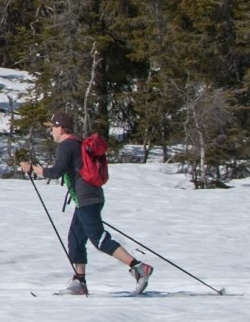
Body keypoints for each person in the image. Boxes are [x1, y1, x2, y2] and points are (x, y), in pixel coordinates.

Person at [19, 112, 153, 296]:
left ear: (61, 128)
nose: (50, 131)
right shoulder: (77, 143)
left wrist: (31, 168)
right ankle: (79, 282)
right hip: (89, 197)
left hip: (86, 199)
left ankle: (138, 267)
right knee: (75, 239)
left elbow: (56, 172)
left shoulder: (66, 145)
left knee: (98, 239)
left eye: (52, 127)